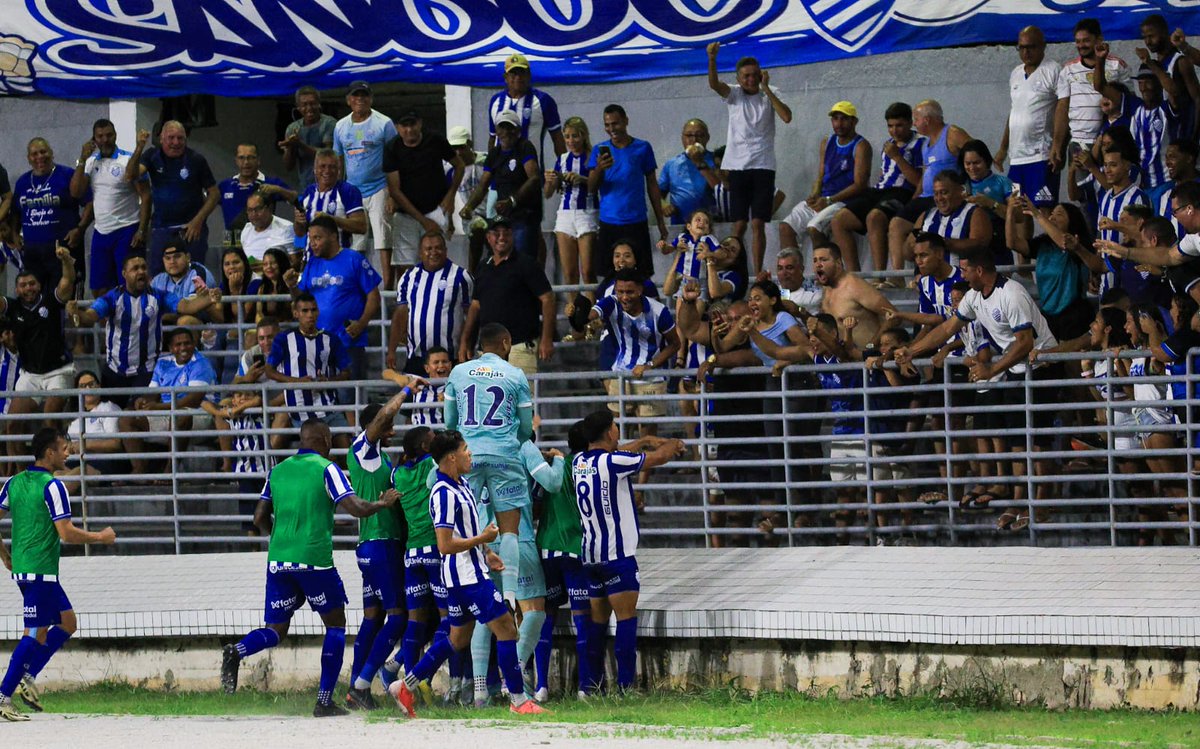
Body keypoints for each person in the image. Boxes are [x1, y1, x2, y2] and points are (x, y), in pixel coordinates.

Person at [220, 418, 399, 717]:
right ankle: (324, 701)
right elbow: (355, 507)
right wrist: (382, 504)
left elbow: (259, 517)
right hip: (314, 561)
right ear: (325, 440)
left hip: (278, 560)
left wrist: (279, 538)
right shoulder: (326, 468)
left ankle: (235, 651)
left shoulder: (277, 470)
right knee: (336, 625)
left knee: (275, 630)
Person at [895, 250, 1062, 530]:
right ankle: (1020, 501)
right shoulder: (974, 296)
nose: (960, 276)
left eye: (964, 270)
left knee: (1037, 443)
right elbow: (948, 328)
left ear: (980, 270)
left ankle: (1041, 505)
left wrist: (991, 370)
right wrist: (911, 351)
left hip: (1041, 367)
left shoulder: (1012, 293)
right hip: (1016, 370)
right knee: (1018, 443)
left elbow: (1025, 343)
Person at [389, 429, 548, 717]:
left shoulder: (461, 485)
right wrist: (482, 541)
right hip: (466, 577)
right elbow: (445, 544)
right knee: (507, 629)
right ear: (451, 457)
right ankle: (518, 700)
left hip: (467, 574)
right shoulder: (443, 493)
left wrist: (487, 553)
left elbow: (468, 530)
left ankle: (405, 685)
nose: (470, 454)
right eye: (466, 449)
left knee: (458, 639)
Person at [0, 427, 116, 722]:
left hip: (28, 569)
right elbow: (66, 533)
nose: (69, 453)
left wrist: (6, 556)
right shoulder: (53, 486)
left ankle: (27, 676)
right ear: (49, 453)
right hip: (40, 571)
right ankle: (4, 695)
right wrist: (100, 538)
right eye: (64, 448)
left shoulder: (13, 482)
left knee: (67, 622)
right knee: (32, 632)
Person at [572, 410, 685, 692]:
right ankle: (625, 687)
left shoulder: (578, 462)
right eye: (616, 427)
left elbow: (620, 453)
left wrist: (644, 439)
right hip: (617, 556)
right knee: (625, 619)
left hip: (591, 556)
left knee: (597, 624)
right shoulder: (613, 463)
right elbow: (657, 459)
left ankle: (592, 687)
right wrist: (673, 443)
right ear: (610, 432)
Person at [444, 322, 534, 617]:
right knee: (510, 530)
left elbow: (449, 423)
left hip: (467, 456)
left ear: (479, 345)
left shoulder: (458, 372)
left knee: (466, 523)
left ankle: (474, 585)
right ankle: (509, 596)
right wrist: (511, 444)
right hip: (504, 456)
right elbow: (525, 427)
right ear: (506, 343)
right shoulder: (516, 374)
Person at [344, 380, 421, 710]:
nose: (391, 428)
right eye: (387, 424)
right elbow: (381, 418)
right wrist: (406, 390)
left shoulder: (378, 459)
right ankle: (362, 685)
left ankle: (353, 688)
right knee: (398, 617)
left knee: (373, 618)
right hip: (381, 544)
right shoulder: (364, 448)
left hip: (371, 545)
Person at [67, 254, 220, 398]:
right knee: (112, 419)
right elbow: (90, 317)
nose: (141, 271)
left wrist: (209, 299)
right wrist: (76, 313)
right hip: (115, 371)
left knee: (141, 418)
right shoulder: (112, 298)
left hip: (147, 372)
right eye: (135, 268)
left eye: (143, 267)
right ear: (124, 273)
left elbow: (186, 306)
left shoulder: (159, 296)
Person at [707, 42, 793, 275]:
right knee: (739, 224)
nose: (751, 80)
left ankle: (757, 272)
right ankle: (734, 268)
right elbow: (714, 84)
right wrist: (712, 58)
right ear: (738, 77)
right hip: (737, 166)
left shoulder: (769, 92)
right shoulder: (734, 94)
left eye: (755, 75)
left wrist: (766, 89)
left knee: (757, 223)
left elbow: (786, 116)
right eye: (746, 76)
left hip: (763, 166)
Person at [828, 102, 927, 274]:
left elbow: (919, 180)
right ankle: (855, 275)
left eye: (899, 125)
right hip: (879, 190)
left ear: (910, 123)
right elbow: (884, 173)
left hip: (903, 192)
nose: (894, 131)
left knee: (875, 217)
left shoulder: (921, 143)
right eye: (890, 126)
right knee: (839, 220)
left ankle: (880, 276)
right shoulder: (888, 143)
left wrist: (898, 157)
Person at [291, 215, 383, 390]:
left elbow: (374, 296)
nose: (313, 243)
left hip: (348, 343)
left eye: (317, 238)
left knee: (349, 399)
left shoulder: (354, 259)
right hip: (316, 344)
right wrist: (291, 286)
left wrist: (362, 324)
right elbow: (300, 300)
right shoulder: (312, 264)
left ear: (333, 236)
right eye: (310, 239)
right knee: (322, 400)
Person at [780, 101, 872, 271]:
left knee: (814, 227)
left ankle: (825, 277)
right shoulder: (827, 142)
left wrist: (829, 200)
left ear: (854, 122)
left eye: (844, 119)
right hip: (826, 198)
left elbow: (860, 185)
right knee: (786, 227)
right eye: (835, 119)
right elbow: (821, 175)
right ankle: (794, 279)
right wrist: (815, 194)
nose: (838, 123)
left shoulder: (861, 146)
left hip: (845, 201)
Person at [885, 101, 973, 274]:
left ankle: (929, 272)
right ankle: (896, 276)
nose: (914, 124)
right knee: (897, 227)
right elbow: (925, 176)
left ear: (926, 119)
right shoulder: (926, 144)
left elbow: (976, 152)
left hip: (944, 198)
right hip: (925, 197)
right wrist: (914, 199)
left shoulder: (952, 133)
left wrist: (972, 187)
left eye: (916, 119)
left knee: (919, 242)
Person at [458, 218, 555, 375]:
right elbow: (476, 306)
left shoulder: (527, 264)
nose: (501, 237)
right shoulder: (483, 267)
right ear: (488, 238)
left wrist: (547, 338)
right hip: (487, 351)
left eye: (506, 233)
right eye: (496, 233)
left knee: (521, 398)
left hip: (520, 346)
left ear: (513, 236)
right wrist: (465, 341)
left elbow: (547, 298)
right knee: (489, 399)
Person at [119, 327, 218, 474]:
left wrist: (158, 407)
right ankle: (139, 469)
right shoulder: (163, 363)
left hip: (200, 413)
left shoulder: (201, 363)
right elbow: (153, 393)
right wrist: (143, 401)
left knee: (180, 415)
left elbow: (194, 400)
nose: (183, 348)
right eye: (178, 345)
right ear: (171, 348)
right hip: (167, 411)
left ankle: (170, 471)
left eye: (187, 343)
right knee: (127, 418)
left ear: (194, 344)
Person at [69, 118, 150, 296]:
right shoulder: (90, 162)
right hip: (101, 231)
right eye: (100, 136)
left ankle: (131, 321)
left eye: (109, 135)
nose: (105, 140)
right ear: (94, 139)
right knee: (99, 288)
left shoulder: (127, 159)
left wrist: (142, 229)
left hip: (127, 228)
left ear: (115, 136)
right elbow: (76, 192)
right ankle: (109, 323)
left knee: (130, 283)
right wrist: (82, 159)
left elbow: (145, 196)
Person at [126, 121, 220, 273]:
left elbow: (214, 194)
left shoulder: (196, 159)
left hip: (190, 229)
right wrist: (139, 148)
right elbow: (130, 175)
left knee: (194, 275)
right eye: (171, 138)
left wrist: (198, 221)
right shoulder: (152, 156)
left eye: (180, 138)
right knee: (158, 275)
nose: (176, 142)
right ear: (161, 139)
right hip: (162, 229)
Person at [587, 105, 670, 277]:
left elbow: (652, 185)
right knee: (609, 274)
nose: (611, 129)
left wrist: (660, 220)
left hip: (636, 221)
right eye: (607, 125)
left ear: (626, 121)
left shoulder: (643, 148)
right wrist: (600, 168)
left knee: (641, 273)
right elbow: (591, 188)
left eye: (615, 124)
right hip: (609, 221)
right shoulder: (598, 150)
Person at [382, 109, 464, 282]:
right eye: (404, 126)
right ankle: (409, 303)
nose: (409, 130)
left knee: (437, 258)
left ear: (419, 124)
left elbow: (459, 166)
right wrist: (423, 220)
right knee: (406, 266)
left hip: (436, 208)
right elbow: (395, 190)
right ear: (397, 128)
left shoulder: (435, 141)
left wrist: (451, 195)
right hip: (406, 214)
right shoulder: (392, 148)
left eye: (412, 124)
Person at [1007, 196, 1102, 342]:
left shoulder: (1077, 243)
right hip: (1048, 314)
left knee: (1072, 362)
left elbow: (1063, 242)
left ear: (1072, 220)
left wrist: (1037, 214)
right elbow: (1012, 243)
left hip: (1074, 313)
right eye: (1051, 214)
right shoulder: (1042, 244)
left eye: (1059, 214)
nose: (1052, 217)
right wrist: (1010, 212)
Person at [266, 292, 352, 450]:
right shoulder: (284, 339)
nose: (310, 315)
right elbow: (269, 371)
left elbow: (346, 372)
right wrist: (297, 382)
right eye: (305, 311)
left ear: (318, 312)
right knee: (315, 452)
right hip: (300, 409)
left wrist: (328, 381)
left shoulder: (331, 339)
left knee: (346, 450)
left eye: (313, 310)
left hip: (329, 407)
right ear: (296, 313)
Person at [0, 248, 76, 422]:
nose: (28, 288)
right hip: (30, 374)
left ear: (39, 285)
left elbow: (67, 281)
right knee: (12, 423)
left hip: (58, 371)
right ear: (16, 289)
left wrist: (65, 260)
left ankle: (51, 449)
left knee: (50, 418)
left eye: (32, 283)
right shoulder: (13, 308)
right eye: (23, 285)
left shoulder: (51, 301)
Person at [333, 81, 397, 284]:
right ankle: (357, 284)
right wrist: (338, 191)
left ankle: (387, 287)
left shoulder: (384, 123)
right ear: (348, 100)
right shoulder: (340, 126)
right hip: (352, 191)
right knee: (356, 242)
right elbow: (338, 160)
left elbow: (395, 159)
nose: (360, 99)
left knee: (383, 239)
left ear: (371, 98)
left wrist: (392, 193)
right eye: (355, 95)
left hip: (380, 187)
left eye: (364, 95)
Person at [1094, 42, 1178, 192]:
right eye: (1140, 82)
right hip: (1142, 184)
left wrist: (1150, 63)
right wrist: (1100, 60)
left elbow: (1173, 89)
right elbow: (1100, 86)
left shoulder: (1167, 108)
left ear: (1159, 84)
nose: (1143, 87)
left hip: (1166, 183)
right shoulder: (1134, 107)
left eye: (1148, 82)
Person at [996, 26, 1065, 205]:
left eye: (1031, 47)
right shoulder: (1016, 73)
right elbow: (1014, 112)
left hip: (1040, 156)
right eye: (1021, 47)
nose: (1026, 52)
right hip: (1017, 159)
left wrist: (1058, 145)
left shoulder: (1054, 70)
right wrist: (1003, 149)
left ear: (1043, 46)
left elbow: (1063, 107)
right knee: (1018, 208)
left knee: (1045, 209)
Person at [387, 231, 472, 376]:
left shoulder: (461, 276)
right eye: (429, 249)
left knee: (450, 398)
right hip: (417, 358)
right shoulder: (408, 277)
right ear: (420, 252)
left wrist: (467, 345)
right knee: (415, 398)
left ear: (446, 250)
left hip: (450, 358)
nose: (434, 252)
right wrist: (391, 350)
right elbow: (400, 315)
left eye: (438, 248)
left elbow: (470, 315)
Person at [460, 110, 542, 261]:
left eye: (510, 127)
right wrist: (469, 207)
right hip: (504, 218)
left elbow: (534, 178)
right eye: (502, 128)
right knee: (503, 260)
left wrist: (512, 201)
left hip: (524, 215)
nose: (506, 132)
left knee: (523, 260)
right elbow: (483, 185)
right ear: (496, 131)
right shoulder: (494, 154)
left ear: (517, 130)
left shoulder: (525, 147)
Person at [14, 137, 89, 290]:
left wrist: (80, 229)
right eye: (34, 154)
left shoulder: (67, 175)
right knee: (37, 300)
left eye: (43, 152)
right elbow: (15, 213)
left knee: (66, 297)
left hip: (64, 249)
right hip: (33, 253)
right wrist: (15, 235)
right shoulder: (22, 182)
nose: (39, 157)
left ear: (51, 153)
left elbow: (89, 202)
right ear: (29, 159)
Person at [1056, 18, 1132, 159]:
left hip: (1112, 140)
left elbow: (1129, 104)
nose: (1081, 45)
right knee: (1078, 182)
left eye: (1086, 40)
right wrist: (1057, 145)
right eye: (1078, 41)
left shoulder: (1118, 65)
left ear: (1099, 39)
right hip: (1079, 142)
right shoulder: (1068, 69)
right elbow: (1062, 108)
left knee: (1110, 180)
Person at [545, 116, 599, 294]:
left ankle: (592, 314)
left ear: (583, 136)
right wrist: (550, 181)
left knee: (589, 271)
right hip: (565, 214)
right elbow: (548, 193)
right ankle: (574, 315)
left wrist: (582, 179)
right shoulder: (561, 159)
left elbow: (599, 184)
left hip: (587, 212)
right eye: (567, 137)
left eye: (575, 136)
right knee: (569, 273)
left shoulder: (593, 156)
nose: (571, 141)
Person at [813, 244, 896, 349]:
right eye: (815, 260)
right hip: (843, 358)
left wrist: (870, 347)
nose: (818, 264)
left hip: (865, 358)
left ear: (838, 262)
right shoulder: (825, 289)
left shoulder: (855, 286)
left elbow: (893, 316)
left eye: (823, 260)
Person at [486, 53, 565, 160]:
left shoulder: (543, 101)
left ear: (529, 75)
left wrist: (563, 168)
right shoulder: (495, 101)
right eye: (513, 73)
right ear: (506, 77)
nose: (518, 78)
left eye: (522, 73)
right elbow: (493, 137)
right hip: (501, 173)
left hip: (531, 172)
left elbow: (557, 138)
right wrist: (490, 167)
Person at [295, 149, 367, 260]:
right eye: (322, 166)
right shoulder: (308, 192)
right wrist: (298, 222)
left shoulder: (348, 191)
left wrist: (331, 220)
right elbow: (300, 233)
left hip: (340, 262)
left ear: (338, 170)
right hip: (311, 262)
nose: (327, 171)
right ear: (314, 169)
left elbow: (361, 226)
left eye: (332, 167)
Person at [913, 169, 993, 262]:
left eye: (944, 192)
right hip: (931, 276)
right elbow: (907, 252)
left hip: (962, 275)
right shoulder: (927, 215)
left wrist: (940, 242)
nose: (939, 198)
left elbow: (979, 245)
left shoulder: (974, 212)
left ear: (960, 191)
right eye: (936, 193)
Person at [217, 143, 289, 246]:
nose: (246, 162)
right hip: (233, 243)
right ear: (236, 160)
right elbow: (207, 202)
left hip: (263, 242)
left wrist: (278, 189)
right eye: (241, 158)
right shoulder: (225, 185)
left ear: (258, 160)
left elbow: (296, 199)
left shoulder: (270, 182)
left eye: (251, 158)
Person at [1142, 15, 1197, 143]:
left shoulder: (1180, 61)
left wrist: (1193, 137)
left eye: (1151, 36)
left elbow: (1197, 99)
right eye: (1144, 37)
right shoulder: (1156, 64)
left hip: (1183, 134)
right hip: (1164, 134)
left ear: (1164, 33)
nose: (1147, 41)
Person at [658, 119, 718, 224]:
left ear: (707, 138)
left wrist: (700, 162)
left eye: (700, 135)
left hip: (711, 222)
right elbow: (658, 194)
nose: (694, 140)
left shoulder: (716, 160)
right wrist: (664, 206)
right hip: (681, 222)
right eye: (689, 135)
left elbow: (722, 189)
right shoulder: (672, 164)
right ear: (682, 138)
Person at [280, 86, 337, 192]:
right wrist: (291, 147)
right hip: (305, 187)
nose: (309, 108)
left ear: (319, 104)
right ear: (298, 107)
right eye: (304, 105)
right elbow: (288, 166)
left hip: (329, 187)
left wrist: (300, 144)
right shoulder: (292, 128)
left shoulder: (329, 123)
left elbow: (327, 155)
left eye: (312, 103)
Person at [150, 241, 218, 325]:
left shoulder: (198, 273)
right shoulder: (158, 280)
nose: (172, 262)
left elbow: (193, 310)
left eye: (177, 256)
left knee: (185, 321)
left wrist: (165, 316)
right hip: (168, 322)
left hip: (202, 324)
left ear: (188, 257)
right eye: (168, 258)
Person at [240, 190, 295, 266]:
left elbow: (296, 262)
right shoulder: (246, 229)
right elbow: (247, 258)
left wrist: (266, 266)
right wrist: (254, 263)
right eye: (250, 210)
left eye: (258, 209)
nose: (254, 214)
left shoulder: (287, 228)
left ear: (270, 208)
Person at [775, 246, 822, 318]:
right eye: (780, 268)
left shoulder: (815, 293)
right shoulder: (773, 291)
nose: (784, 273)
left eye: (789, 268)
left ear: (801, 269)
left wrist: (799, 310)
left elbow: (817, 324)